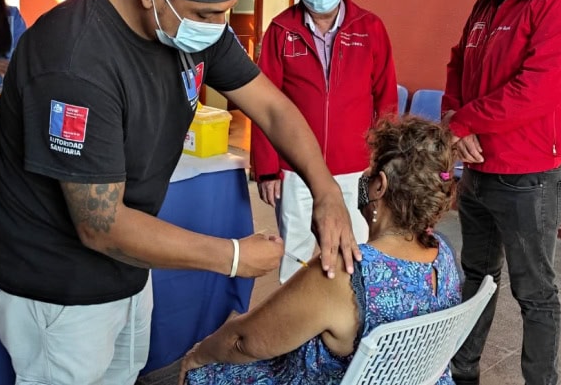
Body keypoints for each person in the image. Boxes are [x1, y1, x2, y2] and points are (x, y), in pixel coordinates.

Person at [0, 0, 360, 385]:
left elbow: (273, 109)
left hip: (126, 268)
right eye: (206, 14)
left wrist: (326, 191)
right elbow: (101, 225)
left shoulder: (187, 18)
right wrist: (234, 257)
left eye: (225, 10)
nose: (218, 25)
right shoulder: (75, 60)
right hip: (58, 285)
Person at [180, 115, 462, 385]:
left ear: (379, 186)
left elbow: (243, 342)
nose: (364, 176)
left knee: (206, 368)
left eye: (370, 169)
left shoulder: (346, 272)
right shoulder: (444, 253)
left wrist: (197, 356)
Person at [442, 0, 561, 385]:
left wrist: (465, 122)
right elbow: (458, 66)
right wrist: (453, 119)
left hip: (528, 178)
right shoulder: (487, 5)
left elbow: (536, 90)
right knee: (476, 279)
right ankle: (463, 373)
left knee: (534, 293)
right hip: (478, 171)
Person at [251, 0, 398, 283]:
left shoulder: (370, 29)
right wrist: (267, 170)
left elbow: (386, 99)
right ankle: (297, 313)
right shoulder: (281, 31)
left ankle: (351, 312)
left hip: (358, 169)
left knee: (357, 248)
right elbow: (262, 102)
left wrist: (384, 162)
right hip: (295, 169)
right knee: (296, 255)